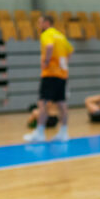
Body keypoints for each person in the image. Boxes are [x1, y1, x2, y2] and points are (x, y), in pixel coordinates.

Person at [24, 15, 74, 143]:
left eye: (40, 22)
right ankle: (64, 132)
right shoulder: (61, 36)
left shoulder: (47, 34)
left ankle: (40, 132)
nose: (39, 24)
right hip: (62, 74)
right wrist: (64, 65)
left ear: (46, 22)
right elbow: (70, 51)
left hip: (50, 73)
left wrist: (46, 62)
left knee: (43, 103)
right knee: (61, 103)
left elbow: (49, 47)